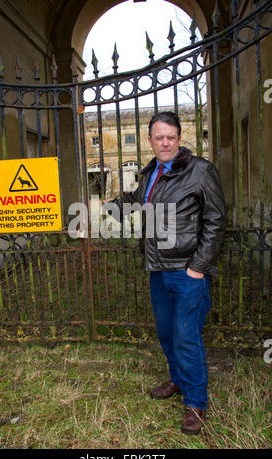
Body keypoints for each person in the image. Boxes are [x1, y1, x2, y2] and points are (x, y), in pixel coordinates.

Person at [108, 111, 226, 435]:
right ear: (150, 140)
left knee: (187, 336)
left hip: (187, 272)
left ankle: (195, 402)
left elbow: (216, 222)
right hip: (157, 270)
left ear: (178, 138)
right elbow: (137, 202)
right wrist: (110, 206)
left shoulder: (200, 171)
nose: (165, 142)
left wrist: (197, 268)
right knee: (168, 333)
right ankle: (177, 380)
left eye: (170, 137)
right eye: (159, 137)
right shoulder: (150, 174)